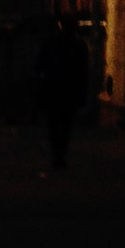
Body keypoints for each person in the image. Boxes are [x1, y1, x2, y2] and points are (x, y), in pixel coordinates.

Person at [34, 13, 93, 170]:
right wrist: (83, 93)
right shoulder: (79, 46)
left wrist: (41, 83)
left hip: (54, 89)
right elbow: (83, 72)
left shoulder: (51, 44)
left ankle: (57, 154)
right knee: (66, 125)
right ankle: (60, 154)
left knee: (54, 124)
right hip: (69, 90)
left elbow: (39, 65)